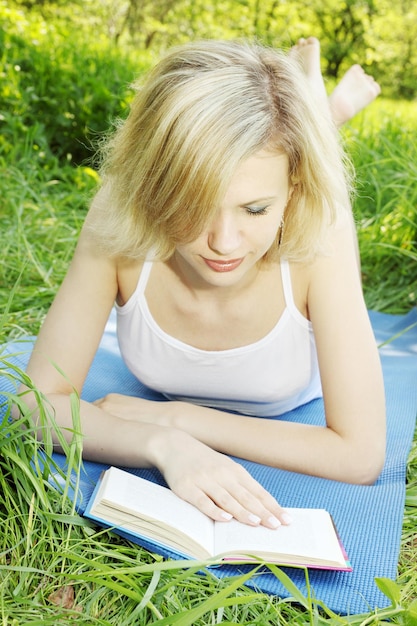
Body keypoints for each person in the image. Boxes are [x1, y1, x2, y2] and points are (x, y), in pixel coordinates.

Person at [18, 38, 385, 531]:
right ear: (154, 187)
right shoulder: (119, 213)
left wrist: (181, 419)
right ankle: (315, 102)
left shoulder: (322, 226)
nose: (223, 243)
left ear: (290, 193)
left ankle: (324, 104)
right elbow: (35, 407)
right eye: (193, 205)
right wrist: (159, 444)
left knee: (322, 155)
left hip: (310, 203)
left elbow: (360, 455)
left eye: (255, 209)